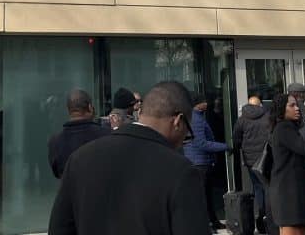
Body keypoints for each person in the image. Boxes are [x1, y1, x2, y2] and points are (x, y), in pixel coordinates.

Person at [48, 81, 210, 235]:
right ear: (178, 121)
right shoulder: (181, 172)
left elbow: (59, 229)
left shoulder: (79, 159)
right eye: (187, 134)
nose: (185, 140)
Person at [268, 92, 305, 235]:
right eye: (292, 105)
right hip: (290, 197)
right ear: (282, 108)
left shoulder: (287, 127)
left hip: (291, 194)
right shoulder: (284, 128)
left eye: (297, 105)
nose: (297, 109)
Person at [183, 92, 228, 232]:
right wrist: (225, 146)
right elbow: (201, 143)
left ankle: (213, 221)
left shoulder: (198, 116)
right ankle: (207, 224)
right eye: (205, 101)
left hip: (202, 162)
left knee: (207, 195)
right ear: (199, 103)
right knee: (202, 196)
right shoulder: (195, 119)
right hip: (199, 163)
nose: (208, 103)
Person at [47, 89, 110, 179]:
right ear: (90, 107)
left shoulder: (55, 142)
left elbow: (57, 172)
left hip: (70, 192)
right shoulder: (106, 135)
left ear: (69, 110)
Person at [233, 94, 270, 233]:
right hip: (266, 158)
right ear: (260, 104)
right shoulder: (267, 117)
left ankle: (259, 216)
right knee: (267, 186)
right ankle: (268, 216)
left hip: (250, 159)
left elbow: (236, 138)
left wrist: (238, 150)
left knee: (257, 188)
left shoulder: (242, 119)